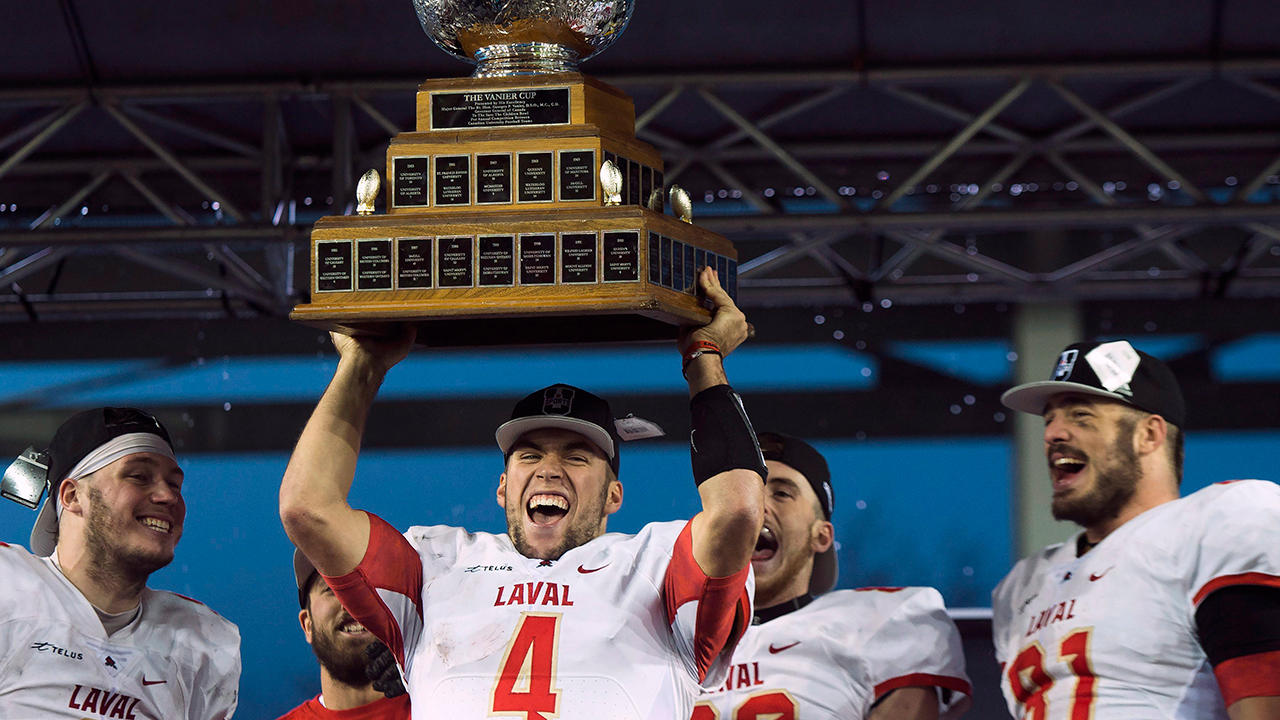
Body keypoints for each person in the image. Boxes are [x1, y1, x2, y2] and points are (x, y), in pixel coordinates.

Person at [279, 268, 767, 719]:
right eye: (529, 455)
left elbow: (738, 509)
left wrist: (704, 356)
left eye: (577, 456)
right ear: (502, 488)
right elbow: (308, 508)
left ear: (614, 495)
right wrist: (362, 365)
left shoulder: (655, 565)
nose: (549, 469)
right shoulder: (435, 565)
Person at [993, 340, 1280, 720]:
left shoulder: (1216, 520)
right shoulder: (1022, 586)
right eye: (1049, 420)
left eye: (1081, 416)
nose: (1053, 434)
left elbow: (1265, 689)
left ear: (1149, 435)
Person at [692, 432, 971, 720]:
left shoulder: (877, 622)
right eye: (745, 495)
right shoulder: (670, 642)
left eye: (781, 493)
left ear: (822, 535)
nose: (755, 508)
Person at [0, 407, 241, 718]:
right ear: (73, 496)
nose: (168, 496)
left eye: (175, 485)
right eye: (140, 476)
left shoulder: (202, 643)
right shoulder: (8, 587)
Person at [276, 550, 410, 719]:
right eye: (332, 589)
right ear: (307, 625)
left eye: (367, 585)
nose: (352, 603)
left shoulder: (443, 705)